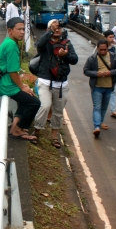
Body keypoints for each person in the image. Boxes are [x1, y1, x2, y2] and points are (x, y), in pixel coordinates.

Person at [0, 17, 40, 143]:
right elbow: (12, 72)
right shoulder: (11, 45)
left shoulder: (8, 41)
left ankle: (15, 128)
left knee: (26, 100)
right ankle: (18, 129)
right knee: (34, 103)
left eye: (23, 29)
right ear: (10, 30)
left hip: (4, 80)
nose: (22, 32)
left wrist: (22, 85)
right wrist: (22, 87)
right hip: (6, 84)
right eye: (19, 29)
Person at [33, 19, 78, 148]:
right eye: (54, 27)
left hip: (61, 84)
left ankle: (54, 136)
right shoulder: (46, 43)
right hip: (45, 81)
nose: (58, 29)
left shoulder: (67, 44)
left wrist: (65, 56)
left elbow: (74, 60)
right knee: (45, 106)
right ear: (49, 29)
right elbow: (38, 45)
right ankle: (36, 131)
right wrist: (50, 31)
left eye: (59, 27)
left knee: (58, 111)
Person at [83, 39, 116, 136]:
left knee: (104, 107)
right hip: (97, 87)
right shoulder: (92, 58)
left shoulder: (113, 58)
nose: (102, 52)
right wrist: (97, 74)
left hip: (109, 87)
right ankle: (96, 126)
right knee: (97, 107)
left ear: (107, 48)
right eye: (100, 50)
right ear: (97, 48)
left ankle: (100, 122)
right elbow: (86, 70)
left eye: (104, 50)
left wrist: (110, 73)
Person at [93, 30, 116, 118]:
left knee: (113, 91)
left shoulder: (114, 48)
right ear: (105, 38)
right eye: (110, 37)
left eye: (113, 37)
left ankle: (113, 110)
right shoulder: (99, 48)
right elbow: (93, 59)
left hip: (111, 76)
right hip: (100, 78)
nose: (112, 39)